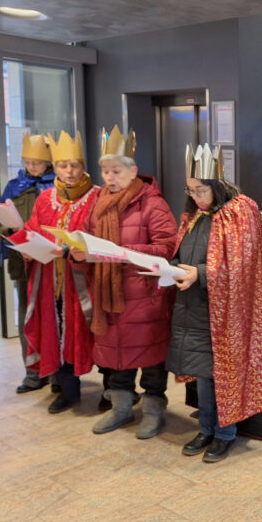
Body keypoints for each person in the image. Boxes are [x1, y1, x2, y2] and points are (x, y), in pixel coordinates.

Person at [167, 144, 262, 463]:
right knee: (203, 371)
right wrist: (172, 266)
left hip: (226, 309)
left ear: (217, 185)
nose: (195, 197)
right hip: (195, 305)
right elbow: (183, 248)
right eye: (190, 190)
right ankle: (207, 428)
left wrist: (198, 273)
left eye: (201, 190)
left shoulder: (241, 210)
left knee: (220, 371)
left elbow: (241, 265)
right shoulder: (196, 215)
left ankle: (226, 433)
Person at [75, 126, 177, 439]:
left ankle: (153, 411)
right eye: (105, 171)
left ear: (133, 172)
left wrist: (123, 253)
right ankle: (120, 408)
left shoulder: (152, 204)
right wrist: (78, 254)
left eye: (116, 171)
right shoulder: (98, 203)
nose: (109, 177)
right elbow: (89, 241)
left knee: (150, 357)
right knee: (115, 356)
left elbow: (167, 247)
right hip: (109, 296)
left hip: (145, 297)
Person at [22, 130, 102, 414]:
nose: (69, 171)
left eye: (75, 165)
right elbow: (33, 228)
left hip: (87, 282)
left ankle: (113, 392)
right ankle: (68, 391)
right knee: (59, 332)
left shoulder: (98, 197)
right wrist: (26, 244)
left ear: (83, 166)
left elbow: (102, 238)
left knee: (96, 332)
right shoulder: (45, 199)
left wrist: (75, 250)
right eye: (62, 165)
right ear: (54, 167)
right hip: (53, 281)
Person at [0, 133, 56, 394]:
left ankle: (57, 373)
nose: (32, 167)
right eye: (27, 162)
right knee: (27, 316)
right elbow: (1, 217)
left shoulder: (57, 185)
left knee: (55, 316)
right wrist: (8, 232)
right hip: (23, 259)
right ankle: (33, 372)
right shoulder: (14, 186)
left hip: (53, 260)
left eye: (37, 162)